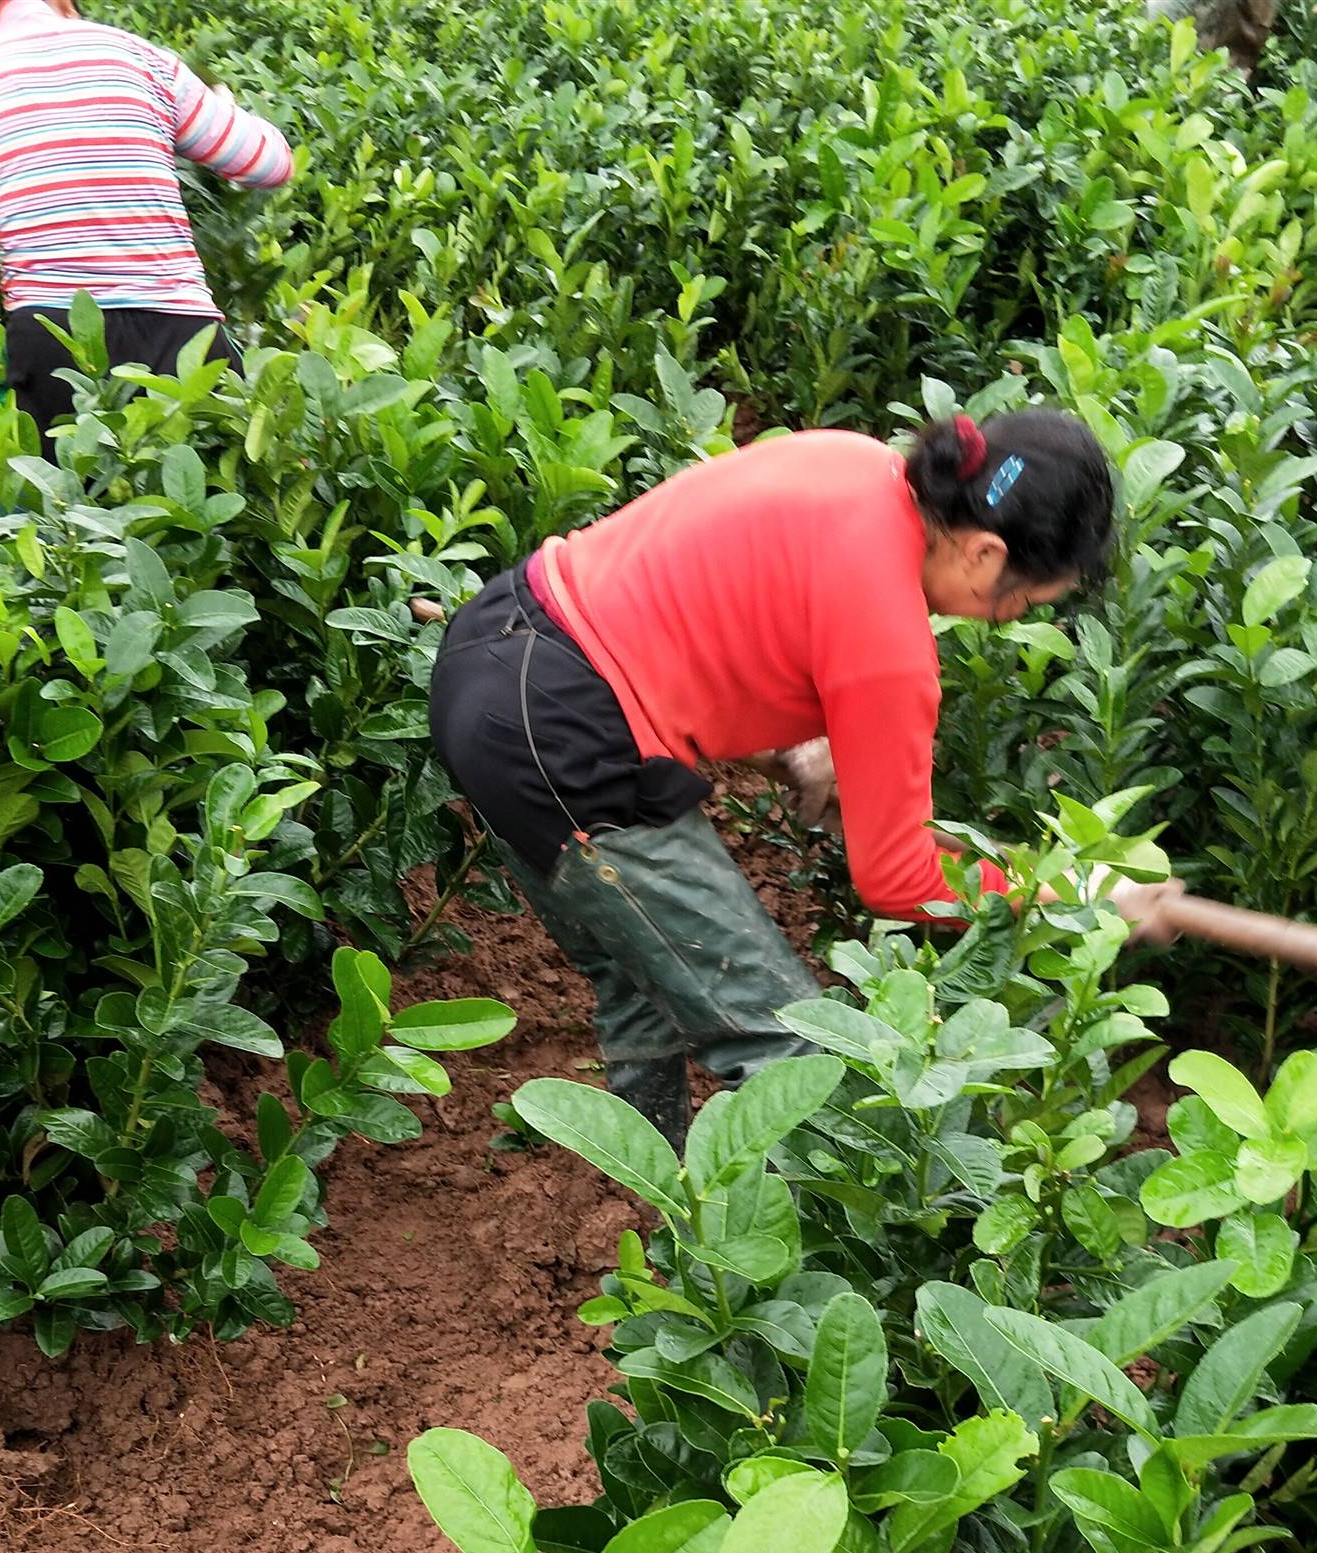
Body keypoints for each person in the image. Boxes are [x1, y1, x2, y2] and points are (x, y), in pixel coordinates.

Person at [428, 408, 1179, 1149]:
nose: (1006, 618)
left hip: (496, 653)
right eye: (1019, 601)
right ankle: (762, 1262)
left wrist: (809, 737)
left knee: (648, 977)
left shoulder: (850, 461)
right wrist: (1074, 895)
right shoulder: (888, 644)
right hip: (560, 743)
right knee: (792, 1052)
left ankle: (660, 1213)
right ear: (984, 553)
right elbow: (900, 879)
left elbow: (730, 608)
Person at [0, 0, 293, 437]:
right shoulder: (140, 55)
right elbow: (271, 163)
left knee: (72, 501)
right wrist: (223, 107)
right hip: (185, 337)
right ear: (67, 5)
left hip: (54, 345)